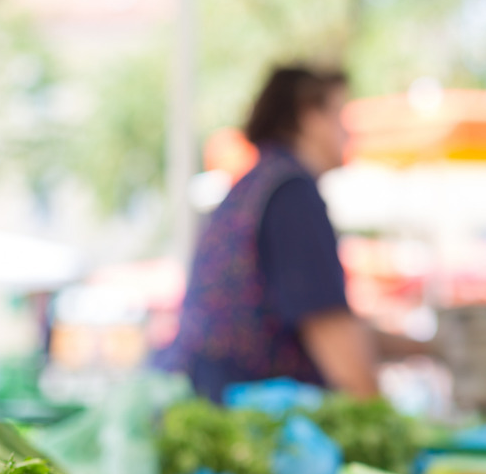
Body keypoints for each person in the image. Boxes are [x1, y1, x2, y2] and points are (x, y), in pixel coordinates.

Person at [162, 66, 422, 401]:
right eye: (340, 116)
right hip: (247, 418)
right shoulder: (292, 194)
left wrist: (425, 346)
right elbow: (338, 343)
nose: (349, 133)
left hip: (207, 397)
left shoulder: (255, 183)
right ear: (309, 115)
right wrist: (391, 433)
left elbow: (320, 323)